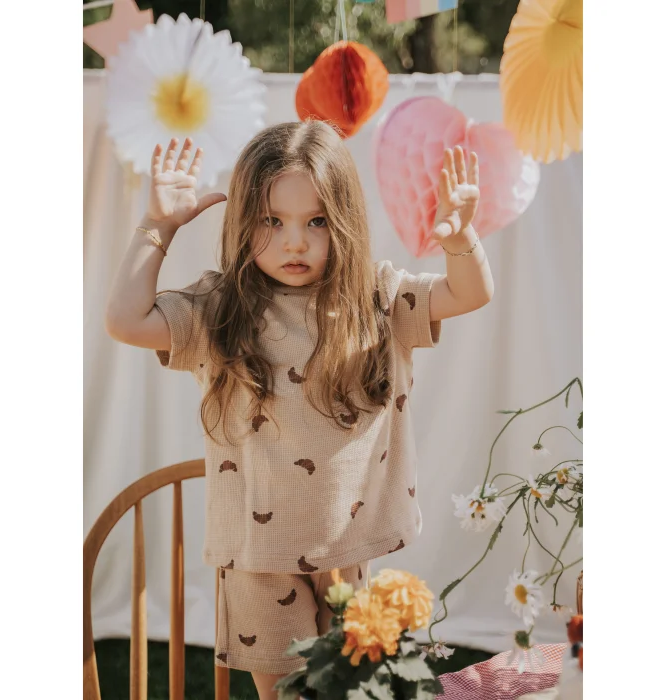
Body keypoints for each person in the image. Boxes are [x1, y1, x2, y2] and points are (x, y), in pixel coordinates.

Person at [105, 120, 493, 700]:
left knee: (348, 692)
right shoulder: (219, 309)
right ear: (244, 221)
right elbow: (125, 320)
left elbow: (469, 293)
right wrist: (158, 226)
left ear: (344, 221)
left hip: (347, 550)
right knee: (285, 696)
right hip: (257, 561)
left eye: (316, 222)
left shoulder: (375, 299)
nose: (294, 242)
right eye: (272, 221)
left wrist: (460, 237)